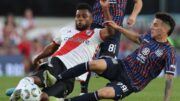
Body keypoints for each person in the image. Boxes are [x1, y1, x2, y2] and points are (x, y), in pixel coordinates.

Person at [45, 12, 176, 101]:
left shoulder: (168, 51)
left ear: (164, 30)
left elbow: (169, 79)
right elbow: (137, 38)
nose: (151, 26)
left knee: (104, 93)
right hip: (121, 66)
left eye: (155, 25)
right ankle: (55, 79)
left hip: (131, 83)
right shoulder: (149, 36)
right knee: (94, 64)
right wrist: (118, 28)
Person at [9, 1, 116, 101]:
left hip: (70, 76)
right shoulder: (65, 31)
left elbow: (111, 31)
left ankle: (24, 89)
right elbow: (52, 47)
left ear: (91, 19)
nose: (80, 19)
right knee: (41, 78)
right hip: (58, 62)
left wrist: (105, 9)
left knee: (44, 97)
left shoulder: (96, 34)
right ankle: (26, 82)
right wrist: (38, 57)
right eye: (78, 16)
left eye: (84, 16)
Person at [79, 0, 143, 94]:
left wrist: (133, 16)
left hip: (113, 28)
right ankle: (83, 90)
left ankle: (116, 85)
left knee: (108, 62)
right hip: (95, 26)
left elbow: (138, 2)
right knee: (87, 58)